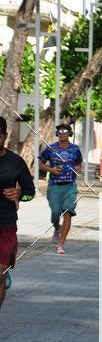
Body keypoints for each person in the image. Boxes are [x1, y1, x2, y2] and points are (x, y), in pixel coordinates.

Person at [0, 115, 35, 308]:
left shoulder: (15, 162)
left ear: (4, 136)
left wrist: (19, 193)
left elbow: (31, 192)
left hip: (5, 225)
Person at [39, 123, 82, 255]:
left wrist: (77, 171)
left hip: (70, 186)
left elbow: (79, 164)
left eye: (65, 131)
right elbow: (40, 163)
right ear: (57, 133)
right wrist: (50, 169)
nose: (63, 133)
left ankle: (60, 245)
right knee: (55, 213)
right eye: (60, 131)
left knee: (68, 212)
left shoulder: (75, 149)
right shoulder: (51, 148)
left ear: (70, 133)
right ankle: (57, 227)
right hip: (54, 186)